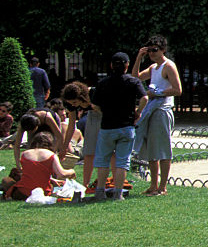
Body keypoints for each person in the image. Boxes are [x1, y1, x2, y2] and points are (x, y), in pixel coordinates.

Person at [91, 52, 148, 201]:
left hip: (107, 126)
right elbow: (145, 98)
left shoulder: (103, 83)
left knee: (103, 160)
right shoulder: (133, 82)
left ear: (111, 65)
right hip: (126, 126)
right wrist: (138, 112)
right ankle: (118, 192)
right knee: (122, 161)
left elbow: (94, 104)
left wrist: (103, 111)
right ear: (127, 65)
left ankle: (100, 191)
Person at [132, 35, 182, 196]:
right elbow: (135, 77)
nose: (152, 53)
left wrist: (157, 93)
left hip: (162, 110)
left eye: (155, 50)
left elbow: (177, 89)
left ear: (163, 50)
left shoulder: (169, 66)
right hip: (151, 110)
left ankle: (163, 186)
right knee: (153, 150)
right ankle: (153, 185)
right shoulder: (154, 68)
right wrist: (139, 57)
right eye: (150, 51)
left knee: (163, 149)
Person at [61, 81, 106, 192]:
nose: (73, 105)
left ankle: (106, 183)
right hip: (91, 116)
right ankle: (85, 185)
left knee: (106, 152)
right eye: (70, 103)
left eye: (75, 102)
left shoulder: (95, 93)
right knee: (88, 152)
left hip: (104, 116)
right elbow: (71, 125)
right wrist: (65, 146)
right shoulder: (70, 104)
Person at [3, 132, 76, 200]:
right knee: (51, 186)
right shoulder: (51, 155)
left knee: (6, 180)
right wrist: (71, 171)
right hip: (43, 192)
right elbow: (61, 174)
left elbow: (31, 173)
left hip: (23, 193)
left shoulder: (25, 154)